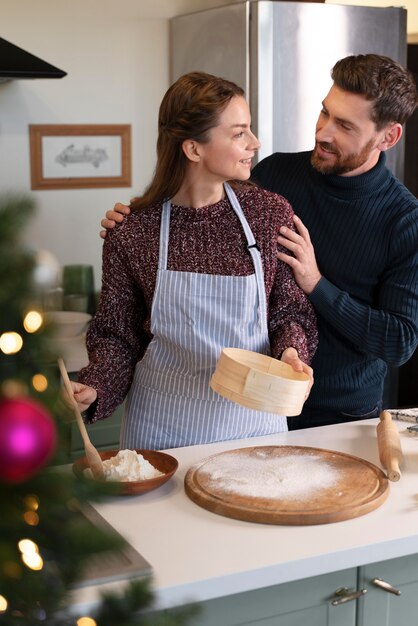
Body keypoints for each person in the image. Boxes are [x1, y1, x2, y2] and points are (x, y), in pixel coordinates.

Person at [102, 54, 418, 431]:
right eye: (324, 113)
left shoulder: (405, 220)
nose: (322, 132)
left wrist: (316, 285)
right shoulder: (274, 175)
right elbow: (197, 210)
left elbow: (399, 342)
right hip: (253, 404)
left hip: (341, 416)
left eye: (344, 126)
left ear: (389, 136)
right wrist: (137, 220)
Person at [73, 71, 317, 450]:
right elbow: (117, 334)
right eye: (239, 133)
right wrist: (96, 383)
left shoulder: (268, 213)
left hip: (253, 421)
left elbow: (288, 311)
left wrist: (290, 352)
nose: (255, 142)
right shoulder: (134, 229)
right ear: (193, 149)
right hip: (163, 429)